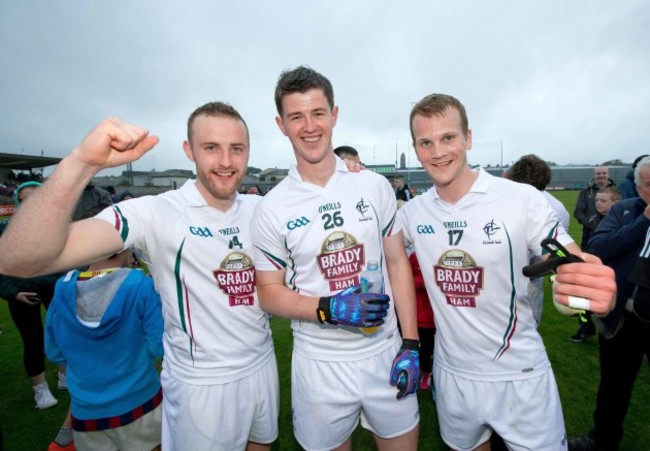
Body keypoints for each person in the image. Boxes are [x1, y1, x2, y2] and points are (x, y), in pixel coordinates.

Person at [0, 102, 279, 451]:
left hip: (262, 365)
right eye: (211, 147)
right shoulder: (155, 211)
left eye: (236, 148)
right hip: (201, 383)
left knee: (261, 445)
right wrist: (81, 163)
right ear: (189, 150)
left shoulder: (262, 208)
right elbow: (17, 259)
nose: (225, 161)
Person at [397, 93, 616, 451]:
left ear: (468, 138)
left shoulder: (519, 199)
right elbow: (389, 257)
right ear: (416, 148)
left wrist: (589, 283)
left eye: (448, 138)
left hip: (519, 374)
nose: (437, 152)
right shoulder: (412, 213)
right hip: (452, 376)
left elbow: (560, 247)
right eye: (426, 142)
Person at [251, 66, 420, 451]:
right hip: (319, 366)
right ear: (281, 124)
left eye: (317, 113)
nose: (309, 126)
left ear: (335, 115)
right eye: (296, 116)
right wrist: (329, 308)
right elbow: (267, 292)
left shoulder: (373, 185)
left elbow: (397, 264)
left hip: (384, 351)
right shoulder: (272, 206)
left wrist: (411, 344)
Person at [45, 247, 163, 451]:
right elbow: (159, 346)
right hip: (141, 405)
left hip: (86, 414)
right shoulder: (143, 287)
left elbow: (54, 351)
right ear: (126, 247)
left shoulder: (62, 290)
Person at [568, 157, 650, 451]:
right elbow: (598, 247)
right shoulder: (624, 211)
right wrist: (644, 221)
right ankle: (602, 439)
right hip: (624, 316)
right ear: (639, 188)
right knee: (614, 386)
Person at [0, 181, 65, 410]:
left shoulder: (55, 226)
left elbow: (67, 257)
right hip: (22, 293)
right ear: (18, 202)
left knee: (61, 333)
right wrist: (12, 293)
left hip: (53, 288)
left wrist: (64, 284)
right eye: (26, 200)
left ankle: (64, 375)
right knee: (33, 340)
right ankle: (41, 390)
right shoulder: (5, 229)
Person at [506, 154, 571, 326]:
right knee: (528, 332)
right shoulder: (559, 208)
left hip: (511, 279)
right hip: (530, 280)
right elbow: (558, 255)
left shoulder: (506, 203)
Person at [574, 166, 615, 248]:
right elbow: (578, 212)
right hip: (589, 233)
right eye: (598, 173)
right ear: (594, 175)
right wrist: (589, 223)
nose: (601, 175)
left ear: (608, 174)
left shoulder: (616, 191)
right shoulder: (586, 192)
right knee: (589, 257)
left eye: (604, 173)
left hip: (611, 232)